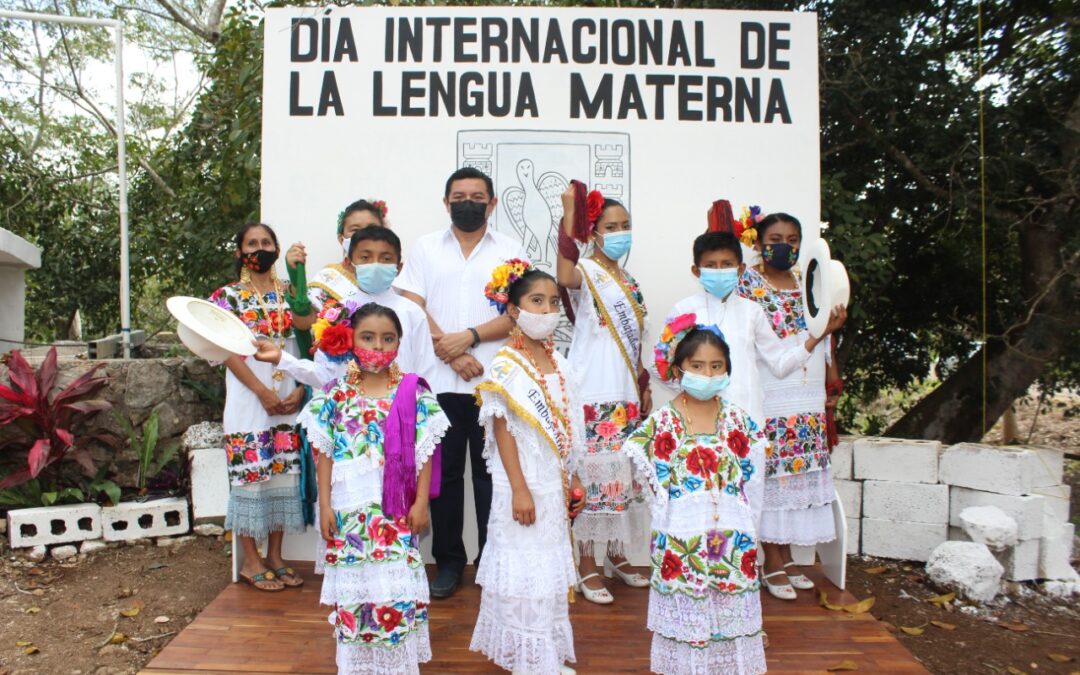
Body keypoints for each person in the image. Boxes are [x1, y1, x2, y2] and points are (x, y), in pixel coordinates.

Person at [657, 201, 846, 532]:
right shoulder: (683, 311)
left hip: (748, 422)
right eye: (711, 265)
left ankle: (739, 578)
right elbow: (665, 367)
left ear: (741, 270)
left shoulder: (752, 312)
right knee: (701, 504)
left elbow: (779, 362)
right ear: (696, 271)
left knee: (746, 504)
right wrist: (688, 384)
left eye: (727, 264)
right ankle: (703, 577)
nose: (719, 270)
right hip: (696, 426)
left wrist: (817, 337)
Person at [294, 303, 449, 675]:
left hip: (395, 511)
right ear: (350, 340)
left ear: (399, 342)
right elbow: (325, 455)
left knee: (393, 593)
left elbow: (425, 453)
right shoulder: (335, 395)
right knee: (356, 593)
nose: (377, 347)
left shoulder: (413, 392)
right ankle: (361, 667)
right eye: (368, 337)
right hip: (349, 513)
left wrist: (422, 504)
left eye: (387, 339)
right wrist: (325, 506)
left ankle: (396, 666)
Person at [394, 167, 528, 598]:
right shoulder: (425, 248)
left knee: (492, 476)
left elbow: (518, 314)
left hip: (493, 382)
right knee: (445, 477)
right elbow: (410, 306)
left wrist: (469, 338)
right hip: (439, 382)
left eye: (476, 196)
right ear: (445, 201)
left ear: (491, 204)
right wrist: (450, 351)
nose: (467, 202)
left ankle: (493, 561)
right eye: (458, 195)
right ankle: (448, 562)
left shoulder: (511, 250)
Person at [624, 315, 767, 675]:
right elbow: (649, 481)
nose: (707, 374)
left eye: (716, 366)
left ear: (727, 369)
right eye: (697, 365)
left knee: (728, 617)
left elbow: (751, 481)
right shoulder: (661, 423)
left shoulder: (740, 421)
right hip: (682, 545)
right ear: (678, 368)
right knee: (688, 621)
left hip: (732, 542)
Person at [469, 261, 585, 675]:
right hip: (522, 482)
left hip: (553, 484)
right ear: (514, 311)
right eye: (537, 301)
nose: (547, 309)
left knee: (548, 567)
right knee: (524, 569)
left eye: (554, 301)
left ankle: (544, 655)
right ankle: (528, 660)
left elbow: (570, 426)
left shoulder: (561, 362)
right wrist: (519, 489)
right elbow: (502, 433)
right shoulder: (505, 364)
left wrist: (574, 476)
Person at [737, 212, 846, 600]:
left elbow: (826, 337)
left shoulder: (808, 281)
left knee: (799, 476)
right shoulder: (747, 284)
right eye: (776, 237)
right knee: (775, 476)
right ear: (758, 242)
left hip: (809, 388)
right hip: (773, 389)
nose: (785, 245)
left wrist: (831, 378)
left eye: (793, 238)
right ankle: (771, 561)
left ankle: (785, 559)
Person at [555, 181, 651, 604]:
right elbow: (561, 275)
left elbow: (634, 341)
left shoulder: (627, 279)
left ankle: (615, 556)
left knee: (621, 478)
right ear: (593, 232)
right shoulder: (587, 271)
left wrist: (643, 382)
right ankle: (587, 563)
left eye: (625, 224)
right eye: (611, 225)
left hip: (625, 390)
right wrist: (567, 219)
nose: (619, 232)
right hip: (593, 388)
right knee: (593, 478)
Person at [208, 222, 314, 591]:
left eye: (267, 242)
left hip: (288, 400)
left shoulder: (292, 294)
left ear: (277, 247)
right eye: (252, 243)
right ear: (239, 252)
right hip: (248, 401)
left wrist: (300, 388)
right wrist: (261, 392)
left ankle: (276, 556)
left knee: (284, 475)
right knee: (250, 477)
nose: (260, 248)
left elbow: (306, 343)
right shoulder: (226, 298)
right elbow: (225, 352)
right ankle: (250, 561)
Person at [278, 223, 436, 386]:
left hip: (401, 407)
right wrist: (282, 359)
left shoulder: (412, 312)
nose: (375, 265)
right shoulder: (337, 314)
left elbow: (426, 373)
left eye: (386, 259)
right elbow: (324, 374)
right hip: (349, 408)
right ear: (349, 263)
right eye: (365, 257)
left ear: (399, 267)